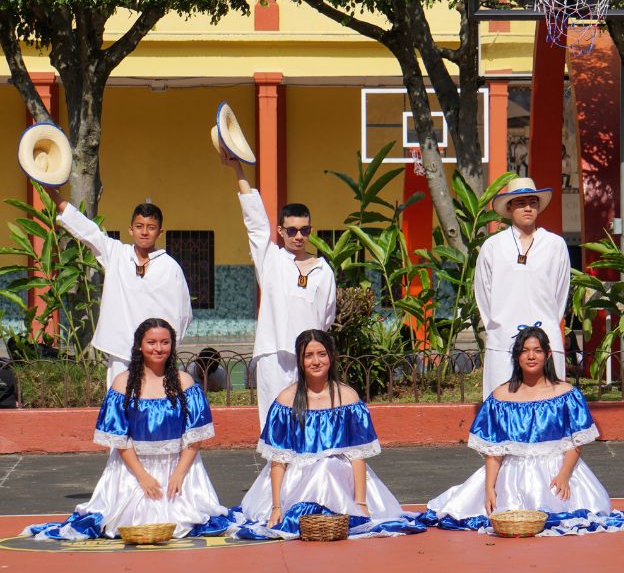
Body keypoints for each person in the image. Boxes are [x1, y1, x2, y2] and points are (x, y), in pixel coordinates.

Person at [24, 318, 230, 540]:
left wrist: (179, 474)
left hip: (180, 468)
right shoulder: (122, 383)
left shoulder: (185, 382)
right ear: (139, 346)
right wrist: (143, 477)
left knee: (187, 519)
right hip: (132, 469)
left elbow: (195, 437)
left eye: (165, 342)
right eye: (151, 342)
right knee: (125, 521)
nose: (158, 348)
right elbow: (120, 439)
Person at [421, 326, 624, 536]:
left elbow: (574, 443)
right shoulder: (501, 397)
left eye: (537, 350)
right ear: (516, 356)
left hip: (557, 472)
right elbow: (494, 451)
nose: (531, 356)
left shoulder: (567, 394)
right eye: (524, 351)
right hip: (512, 476)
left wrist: (563, 475)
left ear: (548, 354)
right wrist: (489, 489)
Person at [230, 330, 423, 539]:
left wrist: (360, 503)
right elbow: (278, 460)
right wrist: (276, 507)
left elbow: (357, 456)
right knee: (320, 469)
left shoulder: (348, 398)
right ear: (300, 361)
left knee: (327, 466)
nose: (316, 361)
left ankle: (343, 513)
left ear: (331, 356)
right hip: (295, 477)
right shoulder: (286, 401)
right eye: (308, 355)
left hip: (341, 476)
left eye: (321, 354)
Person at [220, 149, 337, 430]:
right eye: (292, 230)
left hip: (309, 355)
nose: (299, 236)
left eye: (305, 230)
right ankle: (277, 474)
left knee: (310, 418)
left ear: (311, 231)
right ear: (281, 231)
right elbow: (255, 222)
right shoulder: (270, 258)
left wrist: (316, 353)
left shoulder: (324, 270)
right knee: (274, 421)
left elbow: (327, 317)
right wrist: (238, 170)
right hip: (272, 353)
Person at [43, 185, 191, 386]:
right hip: (121, 350)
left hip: (156, 354)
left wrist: (165, 347)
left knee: (155, 402)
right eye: (139, 227)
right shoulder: (116, 254)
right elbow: (86, 229)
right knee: (119, 403)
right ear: (131, 229)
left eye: (151, 227)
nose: (144, 232)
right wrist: (51, 191)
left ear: (160, 231)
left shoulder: (170, 267)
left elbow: (183, 314)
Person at [475, 177, 570, 398]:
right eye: (520, 202)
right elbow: (483, 295)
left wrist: (542, 333)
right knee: (502, 406)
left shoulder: (555, 245)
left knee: (549, 406)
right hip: (503, 341)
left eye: (532, 202)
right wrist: (501, 327)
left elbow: (560, 294)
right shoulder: (493, 246)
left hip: (545, 340)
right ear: (509, 207)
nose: (528, 208)